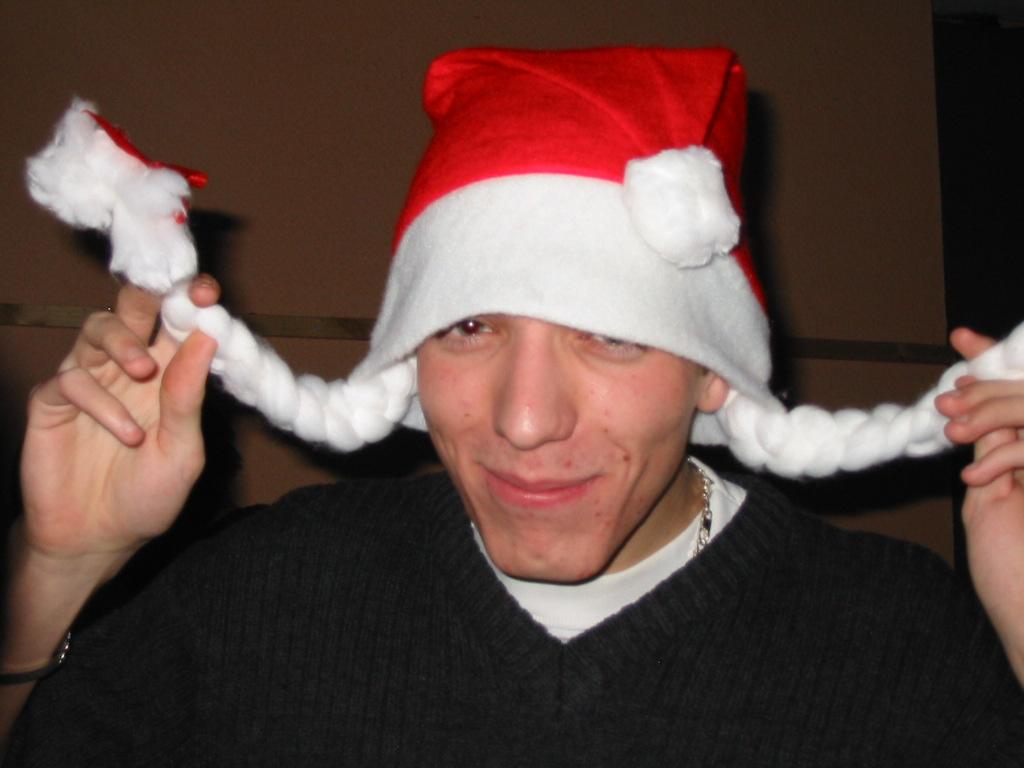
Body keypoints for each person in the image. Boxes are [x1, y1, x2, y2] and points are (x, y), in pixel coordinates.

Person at [3, 46, 1023, 765]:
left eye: (610, 335)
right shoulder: (266, 592)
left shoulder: (896, 641)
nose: (524, 421)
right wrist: (59, 568)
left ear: (716, 373)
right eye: (468, 327)